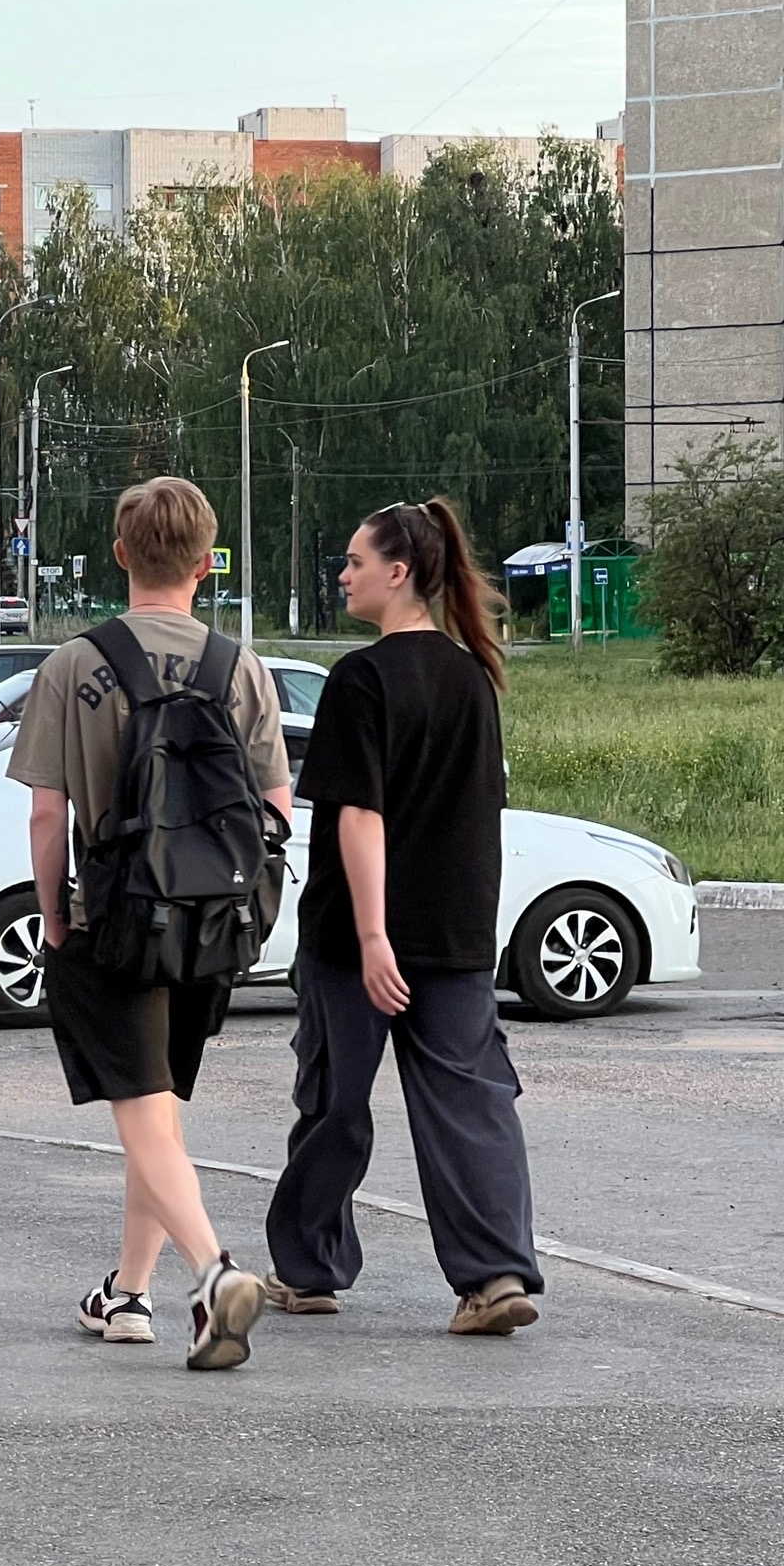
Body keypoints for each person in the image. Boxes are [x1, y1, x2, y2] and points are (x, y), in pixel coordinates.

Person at [9, 475, 291, 1371]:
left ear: (121, 554)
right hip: (210, 926)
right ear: (208, 565)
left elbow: (48, 816)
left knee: (141, 1115)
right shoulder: (237, 666)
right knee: (156, 1116)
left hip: (113, 923)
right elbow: (277, 808)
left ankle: (214, 1274)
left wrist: (54, 920)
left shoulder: (75, 665)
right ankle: (129, 1295)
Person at [263, 498, 544, 1337]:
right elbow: (477, 817)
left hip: (359, 941)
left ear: (399, 573)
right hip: (456, 936)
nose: (343, 575)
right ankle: (493, 1278)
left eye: (354, 562)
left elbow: (359, 815)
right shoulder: (472, 676)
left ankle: (309, 1272)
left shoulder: (361, 678)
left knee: (336, 1104)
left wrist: (375, 935)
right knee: (470, 1105)